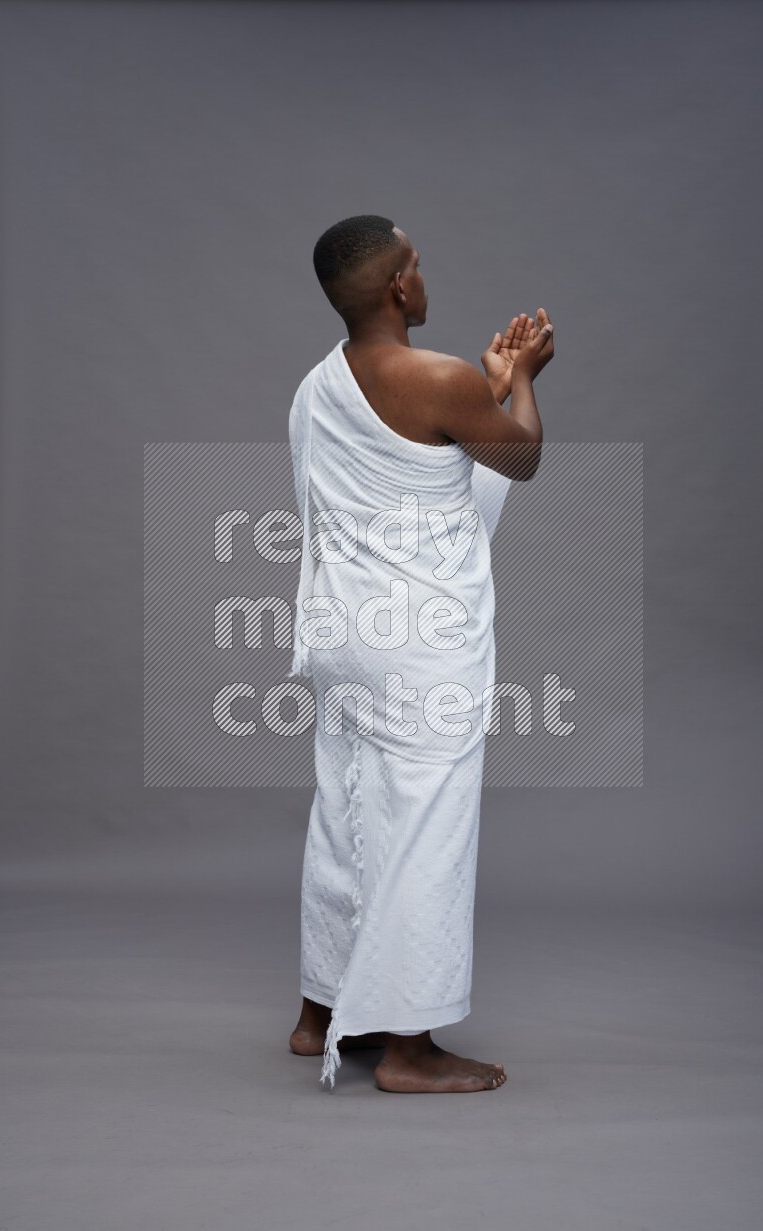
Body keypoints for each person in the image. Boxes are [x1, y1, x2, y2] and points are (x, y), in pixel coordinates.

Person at [286, 215, 554, 1092]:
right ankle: (409, 1047)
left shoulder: (314, 388)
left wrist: (482, 395)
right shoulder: (439, 379)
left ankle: (319, 1011)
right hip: (418, 646)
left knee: (345, 809)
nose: (423, 275)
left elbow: (403, 492)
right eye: (417, 264)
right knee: (427, 830)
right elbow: (520, 458)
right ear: (400, 286)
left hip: (342, 634)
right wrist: (518, 385)